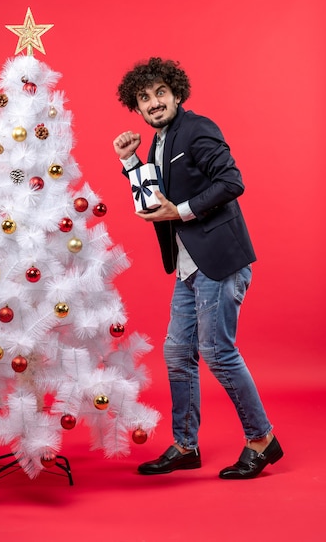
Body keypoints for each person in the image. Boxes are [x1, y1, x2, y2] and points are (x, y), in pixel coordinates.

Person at [113, 57, 283, 479]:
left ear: (177, 93)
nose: (153, 103)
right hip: (189, 265)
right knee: (176, 353)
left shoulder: (197, 128)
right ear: (137, 107)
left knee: (217, 353)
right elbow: (155, 202)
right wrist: (130, 163)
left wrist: (183, 210)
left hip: (219, 261)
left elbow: (232, 182)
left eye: (160, 93)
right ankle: (186, 445)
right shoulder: (160, 142)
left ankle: (262, 440)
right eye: (144, 98)